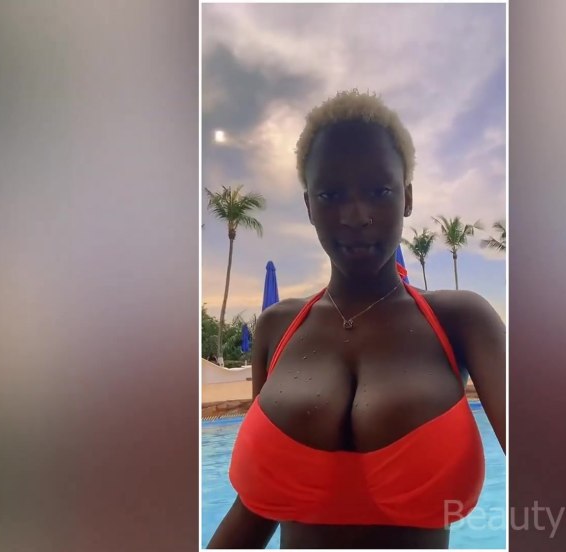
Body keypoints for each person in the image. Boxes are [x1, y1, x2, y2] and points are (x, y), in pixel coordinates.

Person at [207, 89, 505, 549]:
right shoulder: (276, 328)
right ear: (309, 206)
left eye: (378, 191)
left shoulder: (461, 322)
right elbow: (263, 506)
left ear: (407, 198)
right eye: (331, 194)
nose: (356, 215)